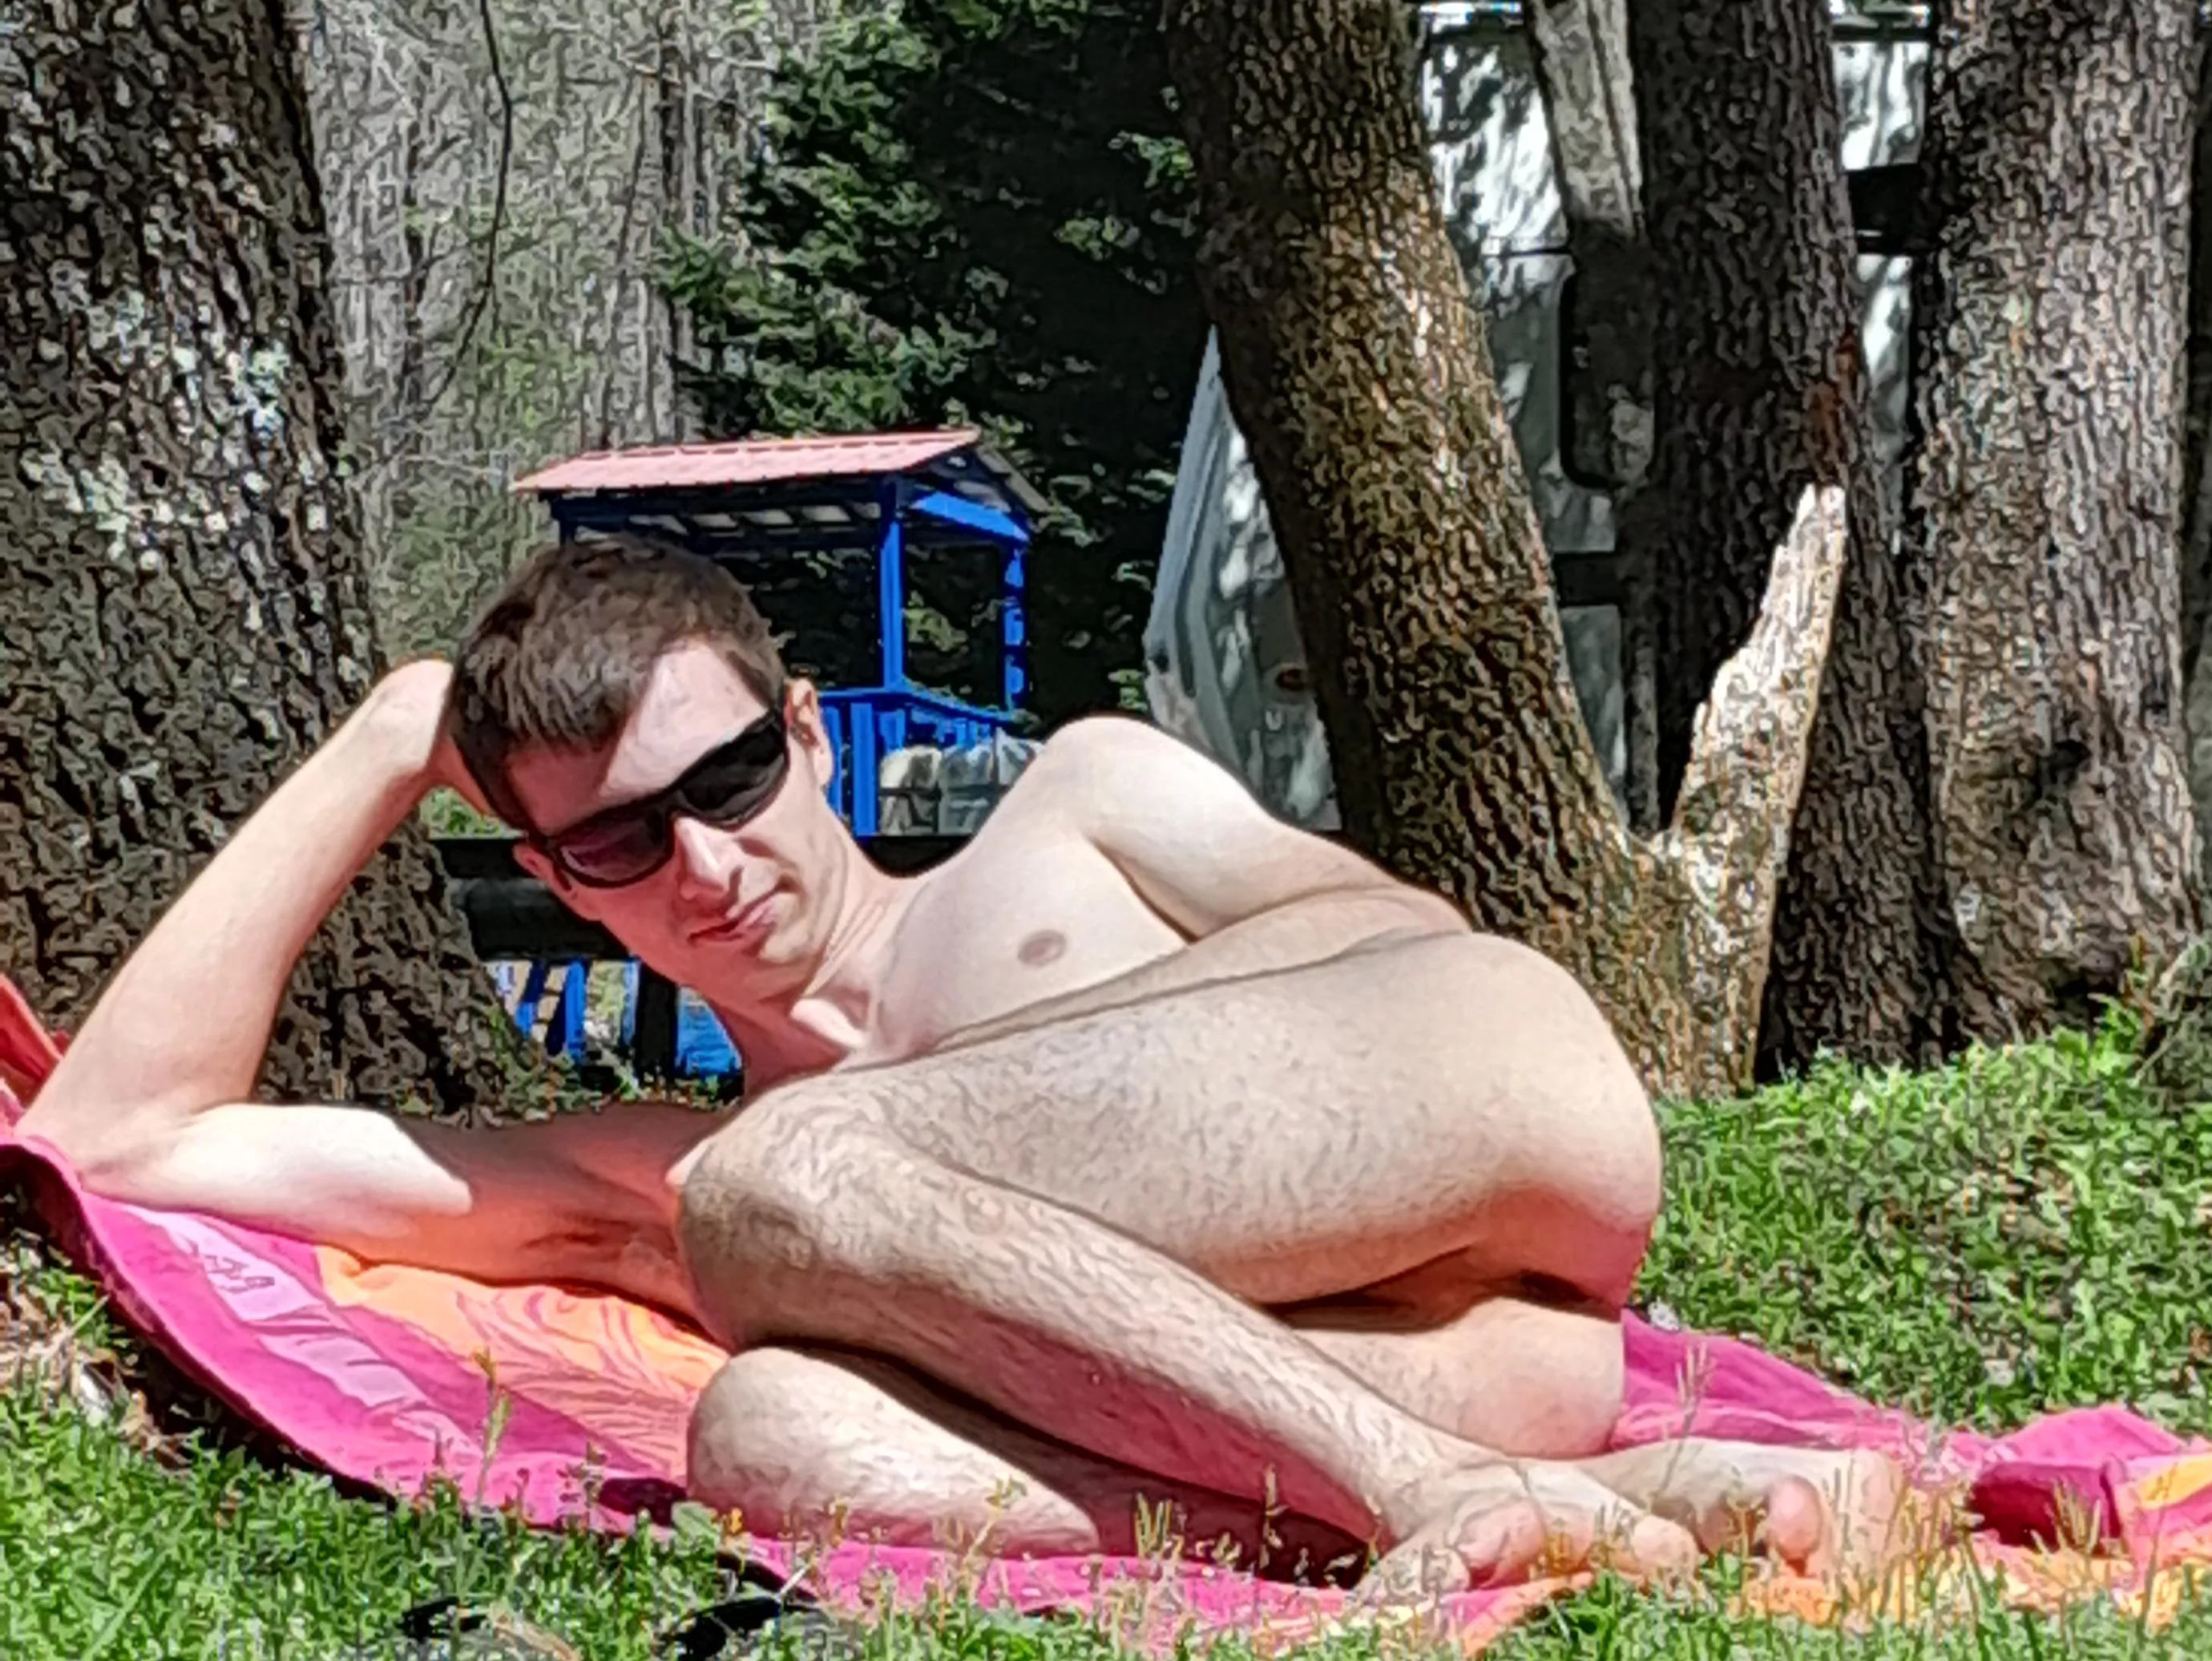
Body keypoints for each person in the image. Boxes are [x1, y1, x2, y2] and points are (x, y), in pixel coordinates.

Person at [27, 537, 1909, 1594]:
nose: (703, 865)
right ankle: (1588, 1498)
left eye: (727, 779)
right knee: (764, 1428)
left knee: (776, 1185)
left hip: (1482, 1092)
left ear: (808, 733)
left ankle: (1425, 1493)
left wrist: (929, 1135)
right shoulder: (652, 1171)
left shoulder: (1077, 805)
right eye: (614, 843)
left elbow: (1403, 940)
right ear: (559, 882)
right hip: (1500, 1360)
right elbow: (122, 1133)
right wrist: (384, 738)